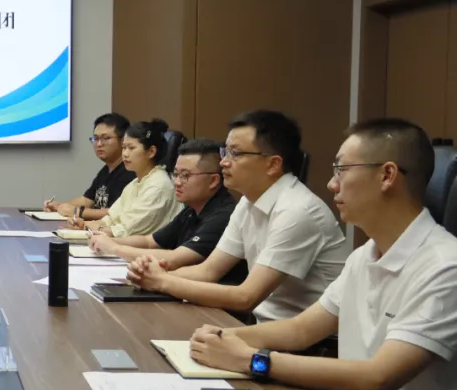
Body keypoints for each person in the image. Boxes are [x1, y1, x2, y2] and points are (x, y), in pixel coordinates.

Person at [188, 119, 457, 390]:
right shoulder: (365, 255)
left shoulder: (445, 266)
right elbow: (301, 330)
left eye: (342, 170)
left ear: (387, 175)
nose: (331, 184)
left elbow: (378, 378)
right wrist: (222, 338)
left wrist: (252, 360)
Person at [127, 110, 346, 323]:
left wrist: (162, 281)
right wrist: (149, 275)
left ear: (273, 164)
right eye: (226, 152)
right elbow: (207, 271)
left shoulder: (296, 211)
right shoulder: (247, 202)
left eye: (236, 153)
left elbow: (246, 297)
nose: (223, 162)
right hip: (267, 328)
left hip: (313, 340)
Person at [87, 138, 248, 284]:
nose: (177, 182)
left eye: (185, 175)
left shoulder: (223, 215)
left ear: (213, 180)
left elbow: (175, 258)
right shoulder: (191, 209)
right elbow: (150, 241)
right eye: (175, 174)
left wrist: (114, 249)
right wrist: (108, 241)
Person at [86, 118, 180, 238]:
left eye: (131, 148)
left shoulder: (159, 186)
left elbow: (127, 231)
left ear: (151, 152)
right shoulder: (135, 183)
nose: (125, 154)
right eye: (124, 147)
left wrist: (96, 228)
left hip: (144, 249)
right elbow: (112, 217)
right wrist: (87, 225)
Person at [45, 113, 133, 226]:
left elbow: (116, 213)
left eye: (106, 138)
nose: (99, 144)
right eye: (96, 139)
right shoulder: (106, 170)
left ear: (123, 141)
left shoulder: (130, 172)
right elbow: (87, 200)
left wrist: (77, 212)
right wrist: (60, 206)